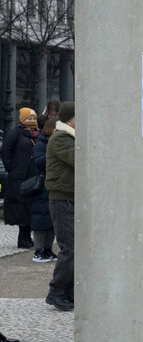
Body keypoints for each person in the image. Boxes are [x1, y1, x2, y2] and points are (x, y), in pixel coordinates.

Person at [45, 101, 75, 311]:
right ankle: (56, 291)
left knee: (75, 248)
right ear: (71, 118)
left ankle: (68, 291)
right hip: (62, 199)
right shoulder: (61, 138)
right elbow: (80, 158)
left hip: (71, 198)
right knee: (69, 248)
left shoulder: (69, 137)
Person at [0, 107, 39, 248]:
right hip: (19, 178)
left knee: (29, 207)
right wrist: (11, 168)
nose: (32, 121)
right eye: (29, 118)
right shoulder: (16, 133)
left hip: (31, 177)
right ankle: (22, 237)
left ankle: (27, 236)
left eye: (34, 118)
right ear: (22, 119)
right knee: (21, 207)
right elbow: (5, 150)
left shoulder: (35, 134)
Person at [31, 116, 58, 262]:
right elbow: (39, 161)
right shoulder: (41, 143)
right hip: (42, 186)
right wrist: (52, 154)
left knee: (51, 220)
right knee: (40, 220)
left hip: (51, 185)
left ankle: (48, 249)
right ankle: (38, 250)